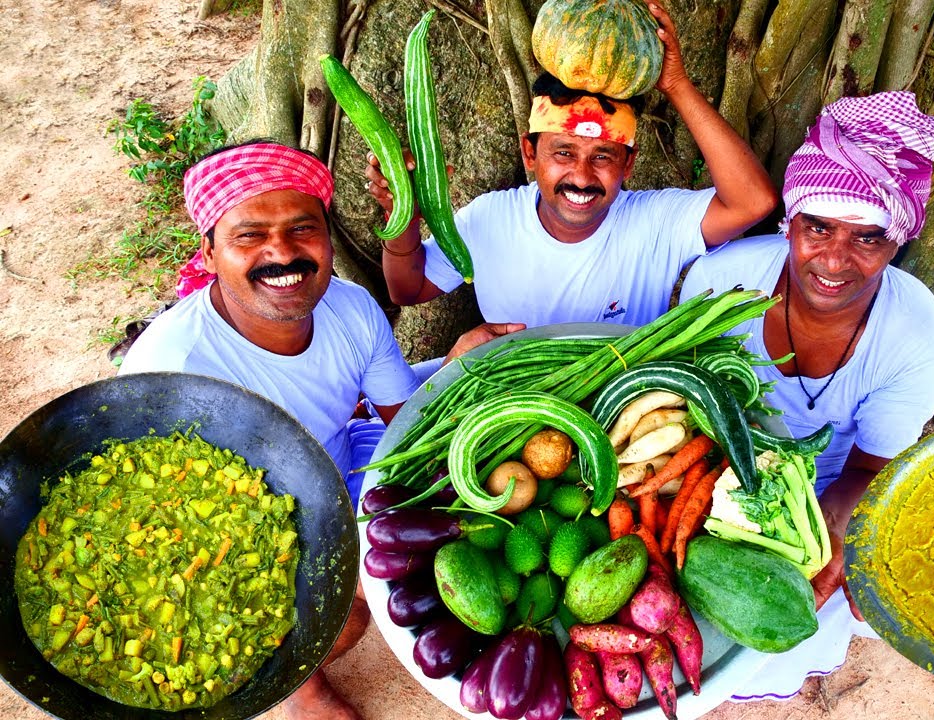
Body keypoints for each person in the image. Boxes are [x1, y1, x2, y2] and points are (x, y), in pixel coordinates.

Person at [118, 140, 517, 720]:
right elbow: (162, 537)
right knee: (347, 614)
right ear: (208, 253)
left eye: (302, 228)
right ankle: (298, 688)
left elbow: (404, 424)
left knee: (424, 544)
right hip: (236, 528)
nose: (282, 252)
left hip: (340, 463)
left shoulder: (351, 309)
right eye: (249, 235)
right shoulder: (171, 369)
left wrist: (455, 368)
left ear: (328, 239)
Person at [678, 91, 934, 701]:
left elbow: (868, 466)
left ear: (899, 240)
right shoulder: (723, 284)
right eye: (819, 227)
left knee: (791, 623)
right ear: (791, 223)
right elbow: (683, 398)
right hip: (703, 470)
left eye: (869, 238)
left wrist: (825, 522)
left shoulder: (917, 340)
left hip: (826, 490)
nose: (834, 259)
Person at [369, 1, 776, 327]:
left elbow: (753, 201)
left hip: (624, 413)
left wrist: (676, 85)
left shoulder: (656, 223)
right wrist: (402, 213)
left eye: (603, 156)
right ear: (530, 155)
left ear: (628, 164)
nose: (581, 177)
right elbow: (408, 290)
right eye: (563, 153)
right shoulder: (490, 220)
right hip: (517, 409)